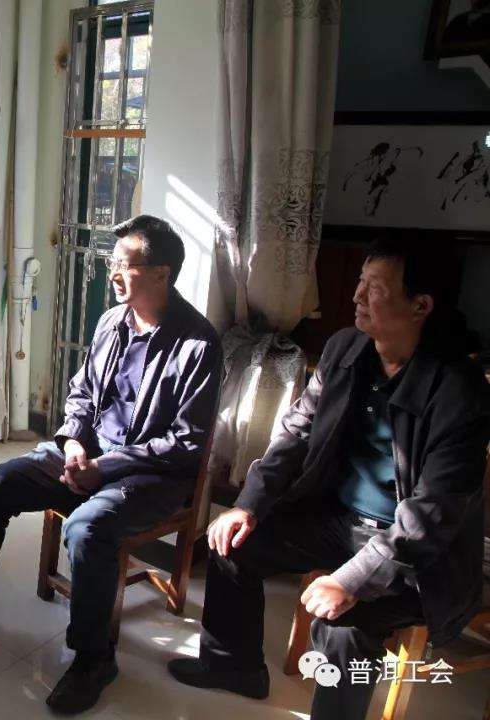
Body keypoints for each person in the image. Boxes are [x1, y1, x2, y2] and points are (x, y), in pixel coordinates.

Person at [0, 215, 222, 714]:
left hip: (150, 475)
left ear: (161, 274)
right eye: (111, 262)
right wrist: (72, 443)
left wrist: (104, 467)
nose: (113, 274)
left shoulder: (198, 343)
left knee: (87, 530)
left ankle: (94, 659)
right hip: (88, 453)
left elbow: (184, 443)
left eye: (124, 265)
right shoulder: (112, 322)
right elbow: (81, 394)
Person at [167, 236, 490, 720]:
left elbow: (431, 516)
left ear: (421, 305)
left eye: (374, 287)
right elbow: (294, 435)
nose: (356, 295)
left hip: (417, 558)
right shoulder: (346, 349)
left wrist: (351, 579)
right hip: (338, 519)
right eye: (360, 280)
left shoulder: (459, 393)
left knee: (343, 627)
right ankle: (233, 666)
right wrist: (247, 505)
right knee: (232, 544)